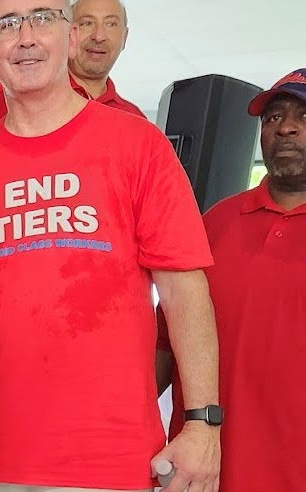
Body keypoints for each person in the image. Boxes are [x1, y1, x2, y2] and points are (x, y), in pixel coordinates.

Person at [0, 1, 221, 491]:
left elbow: (185, 292)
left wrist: (203, 422)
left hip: (109, 460)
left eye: (42, 18)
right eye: (7, 26)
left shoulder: (139, 145)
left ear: (71, 38)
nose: (26, 37)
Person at [157, 68, 306, 492]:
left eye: (303, 117)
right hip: (203, 471)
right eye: (273, 118)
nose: (286, 127)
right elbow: (167, 337)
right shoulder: (216, 222)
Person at [0, 0, 143, 134]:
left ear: (125, 37)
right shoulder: (17, 102)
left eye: (111, 24)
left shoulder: (137, 122)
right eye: (87, 23)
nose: (99, 36)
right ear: (71, 36)